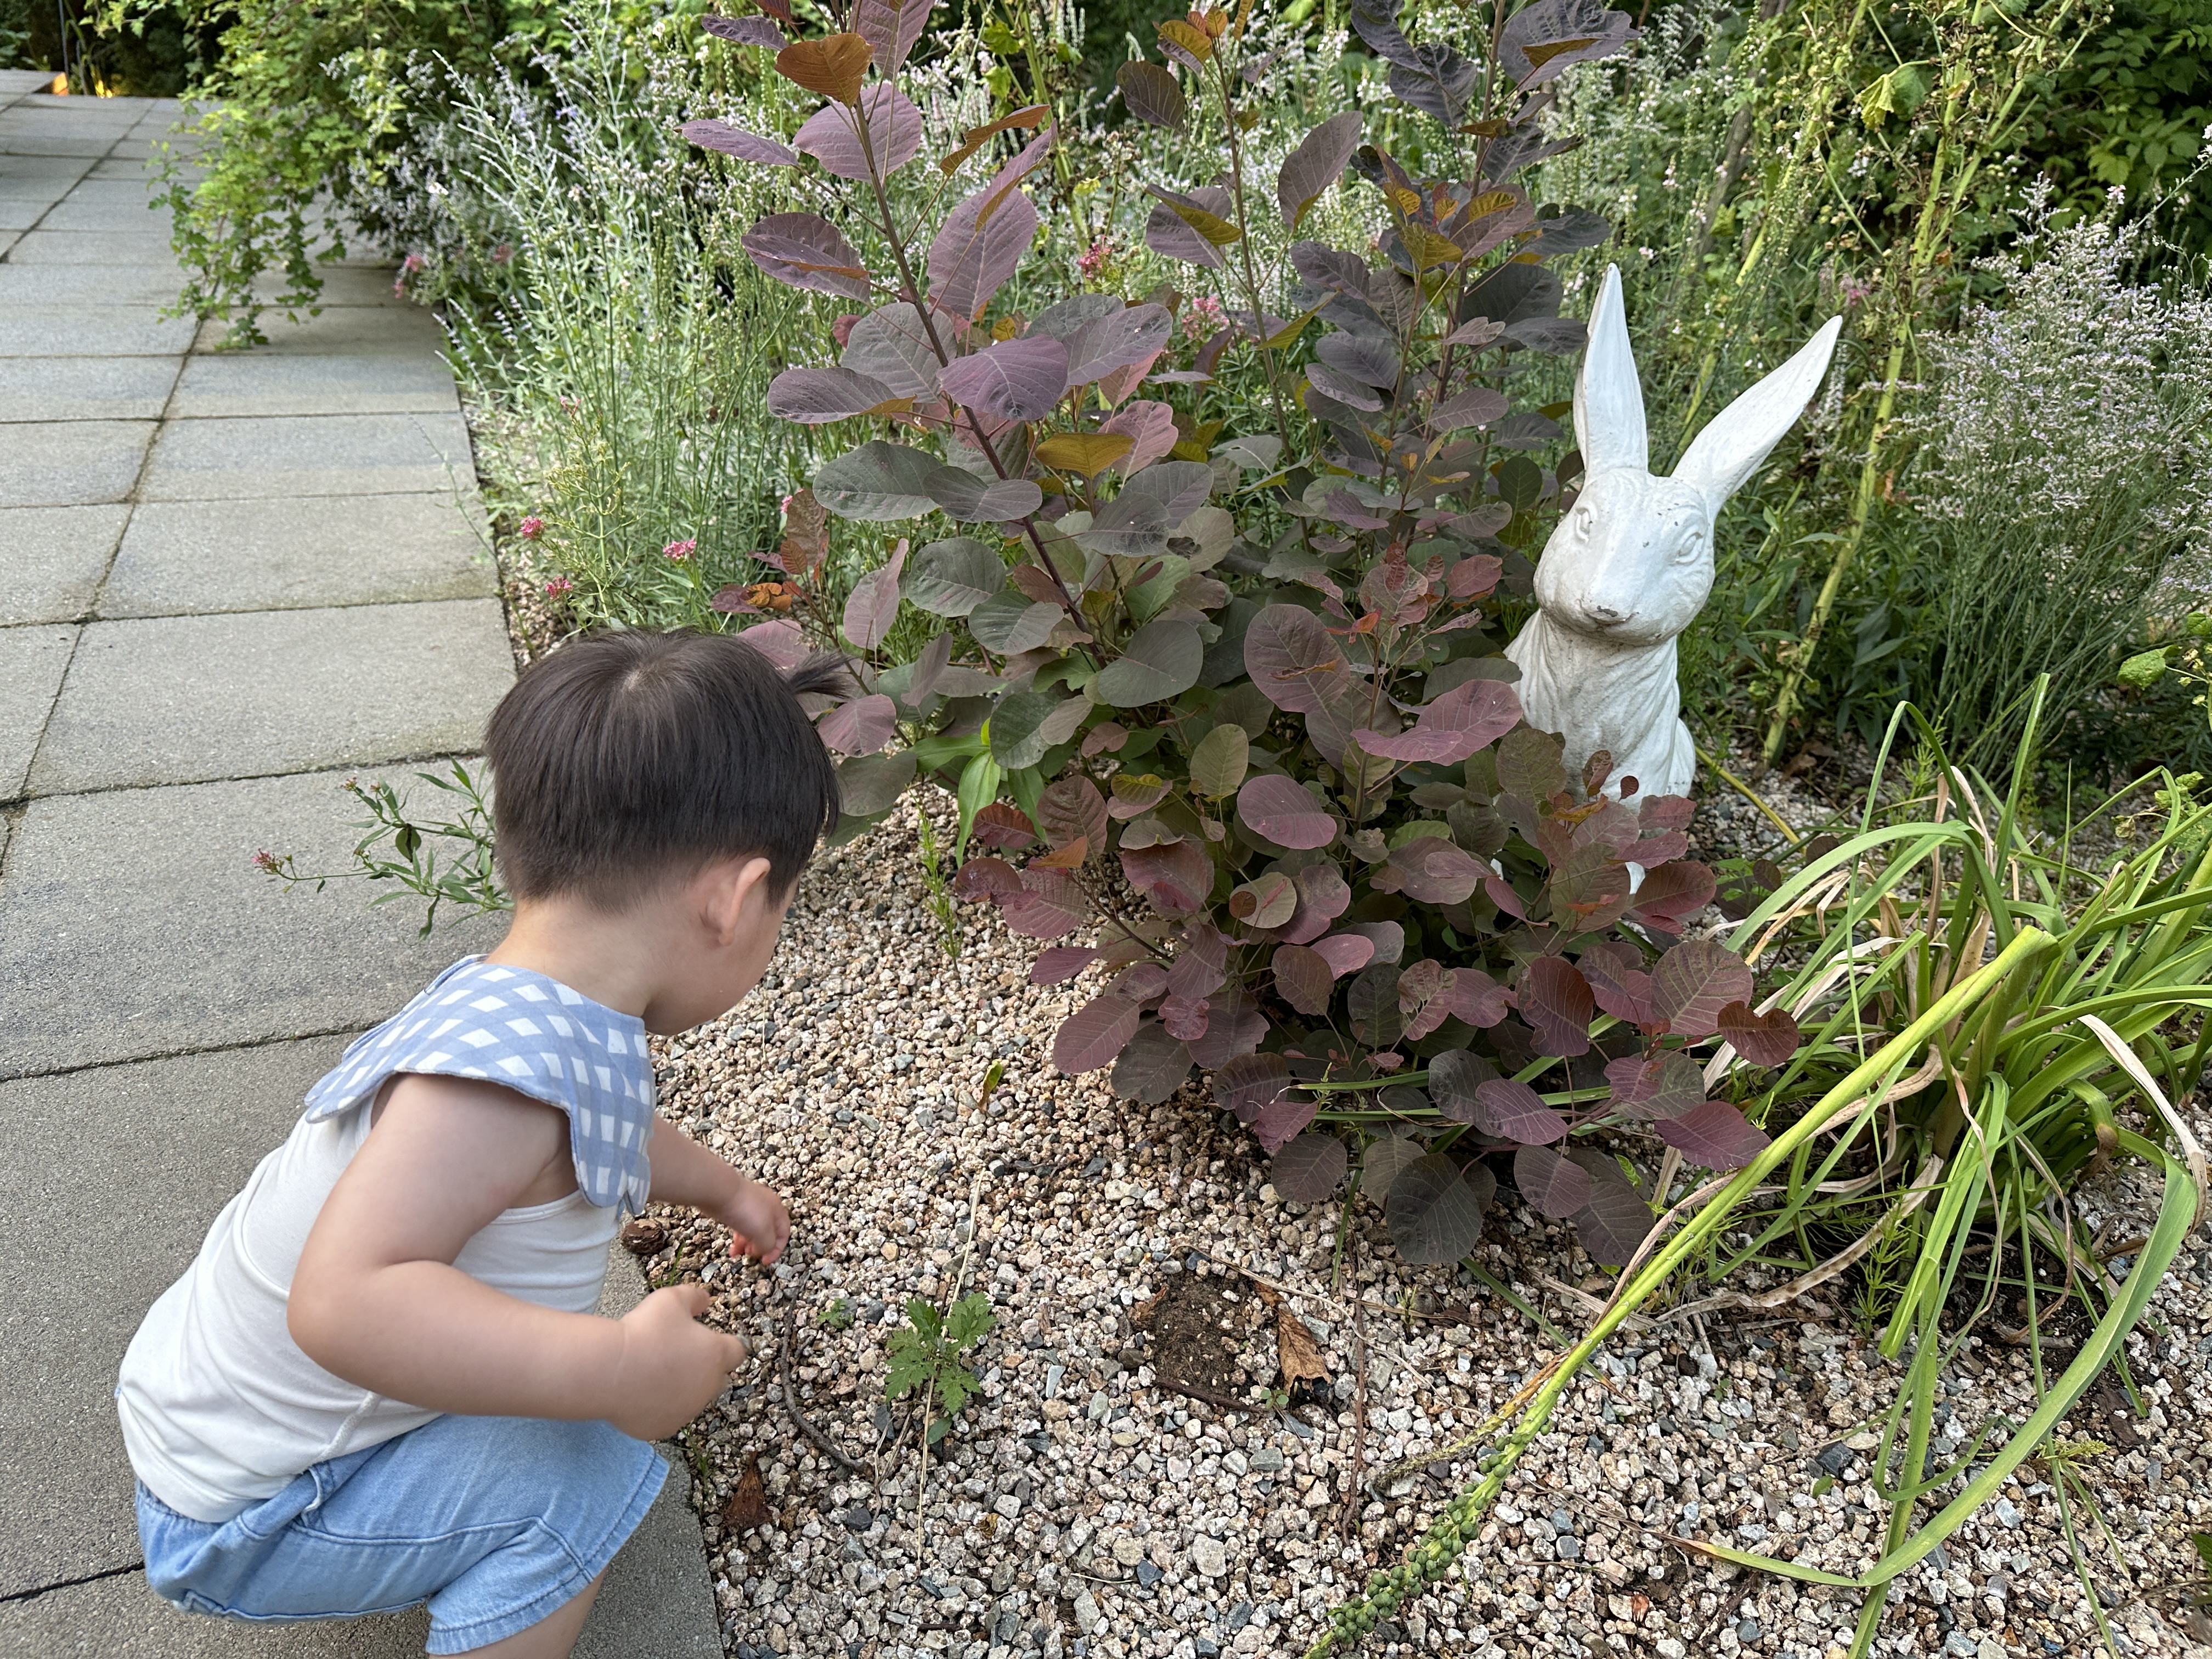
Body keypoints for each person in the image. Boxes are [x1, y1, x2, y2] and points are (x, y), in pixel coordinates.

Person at [116, 629, 849, 1657]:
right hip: (241, 1516)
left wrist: (724, 1189)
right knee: (572, 1482)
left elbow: (610, 1122)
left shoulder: (536, 1005)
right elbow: (346, 1300)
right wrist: (617, 1368)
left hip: (213, 1415)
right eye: (785, 907)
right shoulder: (495, 1094)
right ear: (732, 901)